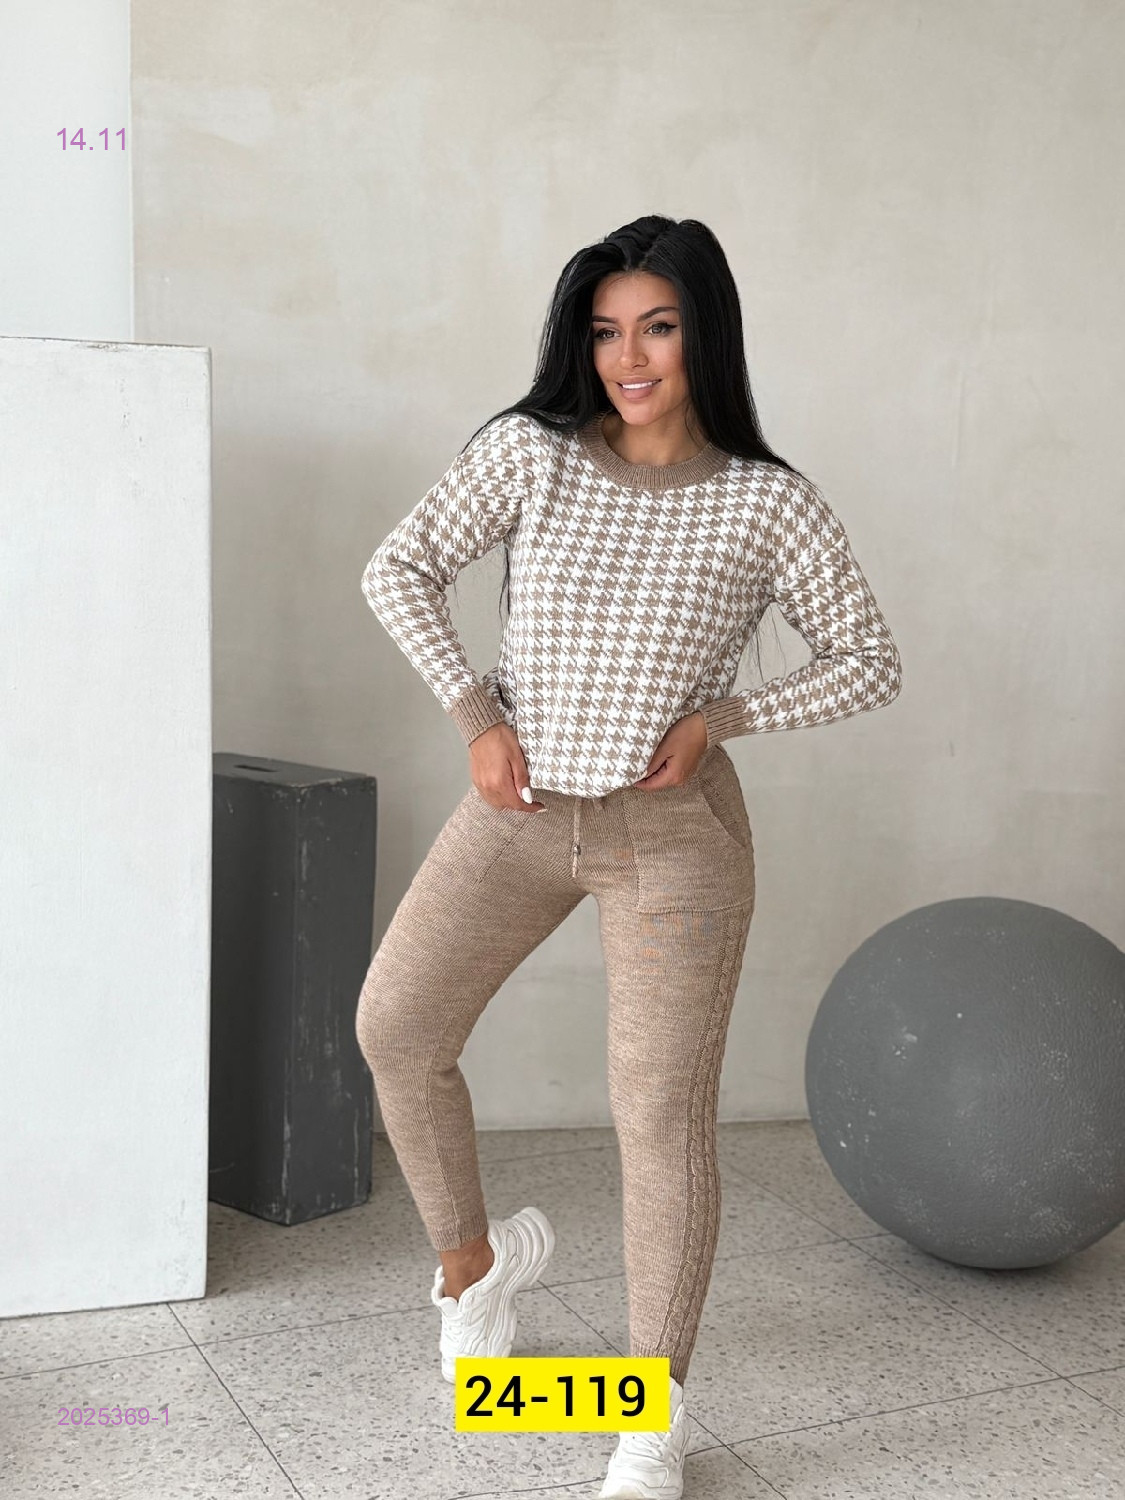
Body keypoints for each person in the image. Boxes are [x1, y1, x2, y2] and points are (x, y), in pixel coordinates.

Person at [355, 213, 902, 1499]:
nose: (629, 358)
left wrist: (727, 717)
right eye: (606, 332)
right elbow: (398, 570)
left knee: (657, 1117)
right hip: (521, 808)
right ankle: (474, 1276)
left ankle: (650, 1418)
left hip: (674, 838)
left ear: (705, 331)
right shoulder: (532, 455)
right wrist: (478, 717)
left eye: (657, 327)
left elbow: (870, 660)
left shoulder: (769, 502)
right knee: (397, 1029)